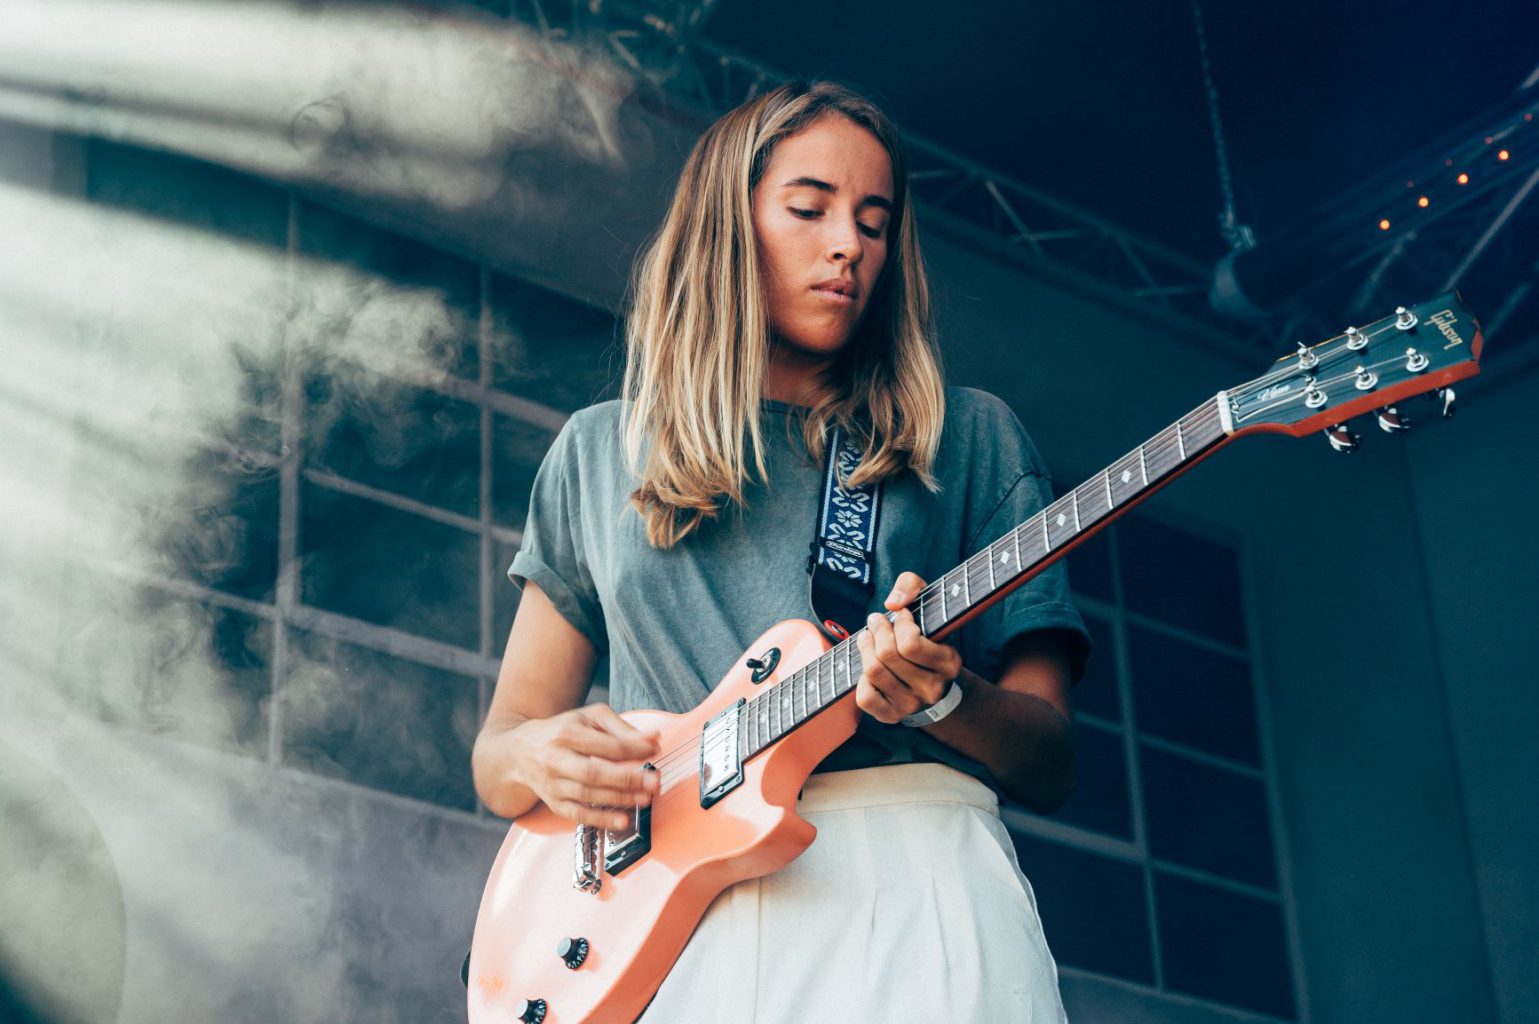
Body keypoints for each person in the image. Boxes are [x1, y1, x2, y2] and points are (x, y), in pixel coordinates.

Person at [472, 80, 1091, 1022]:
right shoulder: (598, 450)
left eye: (875, 223)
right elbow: (501, 752)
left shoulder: (969, 438)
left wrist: (946, 700)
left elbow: (1049, 760)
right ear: (728, 225)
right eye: (809, 208)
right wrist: (548, 757)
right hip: (665, 912)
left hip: (912, 879)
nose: (849, 244)